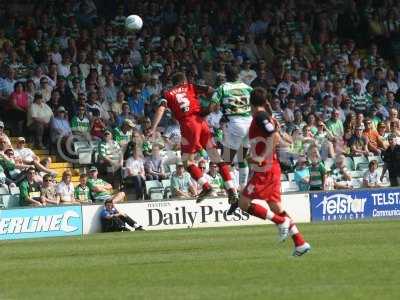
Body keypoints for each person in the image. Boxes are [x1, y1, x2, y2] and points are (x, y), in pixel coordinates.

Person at [239, 87, 310, 256]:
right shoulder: (266, 117)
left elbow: (275, 137)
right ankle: (300, 243)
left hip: (266, 168)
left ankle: (280, 222)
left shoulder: (260, 117)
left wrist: (261, 157)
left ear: (250, 103)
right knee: (276, 207)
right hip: (271, 167)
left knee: (243, 202)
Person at [150, 72, 237, 205]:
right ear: (184, 81)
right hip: (202, 122)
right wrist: (210, 107)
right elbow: (212, 91)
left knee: (188, 162)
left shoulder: (168, 94)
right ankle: (231, 189)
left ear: (174, 83)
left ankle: (206, 187)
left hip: (189, 125)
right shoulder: (191, 86)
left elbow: (161, 109)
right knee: (216, 157)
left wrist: (153, 128)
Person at [210, 65, 253, 190]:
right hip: (249, 124)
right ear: (238, 75)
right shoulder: (248, 88)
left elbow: (214, 105)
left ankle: (230, 189)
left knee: (226, 160)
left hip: (235, 124)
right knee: (242, 157)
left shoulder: (223, 88)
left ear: (225, 75)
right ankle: (243, 187)